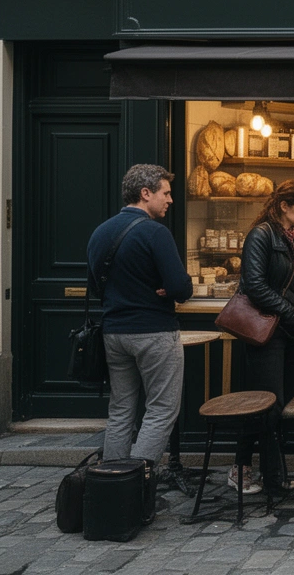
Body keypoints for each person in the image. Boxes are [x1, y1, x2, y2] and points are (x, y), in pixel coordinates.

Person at [87, 164, 192, 468]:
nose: (170, 200)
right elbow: (181, 287)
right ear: (146, 194)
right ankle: (137, 484)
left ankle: (113, 484)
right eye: (166, 193)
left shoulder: (100, 232)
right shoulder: (155, 233)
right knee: (160, 410)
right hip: (154, 332)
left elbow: (96, 286)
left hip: (114, 333)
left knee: (121, 411)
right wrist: (165, 290)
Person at [229, 179, 294, 495]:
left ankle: (269, 473)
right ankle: (253, 472)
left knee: (277, 405)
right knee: (268, 403)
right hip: (268, 332)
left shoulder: (292, 238)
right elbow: (254, 285)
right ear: (284, 206)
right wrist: (292, 313)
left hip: (291, 331)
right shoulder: (261, 235)